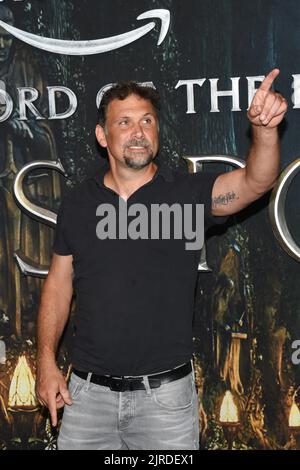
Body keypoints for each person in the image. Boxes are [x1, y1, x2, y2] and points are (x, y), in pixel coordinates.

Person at [36, 71, 287, 450]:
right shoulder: (78, 204)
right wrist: (45, 361)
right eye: (124, 122)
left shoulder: (186, 195)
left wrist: (264, 130)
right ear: (102, 136)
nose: (138, 131)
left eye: (147, 121)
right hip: (86, 398)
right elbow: (58, 283)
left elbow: (256, 181)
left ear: (157, 132)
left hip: (164, 402)